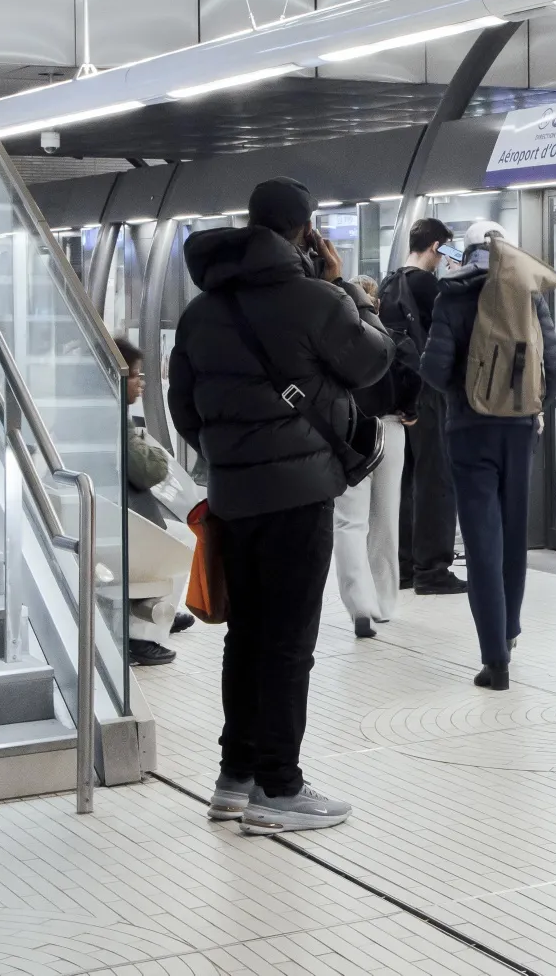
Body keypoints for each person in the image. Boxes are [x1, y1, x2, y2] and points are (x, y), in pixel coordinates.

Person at [168, 177, 393, 835]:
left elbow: (185, 408)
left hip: (233, 495)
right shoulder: (315, 300)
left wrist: (234, 450)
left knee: (247, 636)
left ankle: (234, 779)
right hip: (298, 499)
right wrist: (346, 287)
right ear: (306, 230)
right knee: (289, 644)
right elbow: (374, 361)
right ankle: (280, 788)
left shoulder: (202, 311)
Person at [419, 219, 556, 691]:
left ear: (468, 251)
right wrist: (531, 402)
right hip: (520, 430)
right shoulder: (529, 294)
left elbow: (435, 368)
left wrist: (463, 396)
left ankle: (494, 658)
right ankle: (511, 628)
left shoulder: (452, 295)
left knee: (482, 541)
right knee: (513, 535)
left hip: (468, 432)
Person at [377, 218, 464, 596]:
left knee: (407, 481)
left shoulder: (389, 282)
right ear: (436, 247)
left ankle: (406, 567)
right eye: (446, 250)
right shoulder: (429, 284)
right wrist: (460, 272)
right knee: (436, 481)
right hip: (429, 395)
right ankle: (433, 569)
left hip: (399, 398)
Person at [327, 275, 403, 639]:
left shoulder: (329, 341)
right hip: (389, 429)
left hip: (347, 432)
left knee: (348, 523)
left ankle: (360, 606)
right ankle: (385, 602)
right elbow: (411, 374)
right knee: (386, 519)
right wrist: (410, 406)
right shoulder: (388, 340)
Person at [116, 339, 194, 666]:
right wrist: (156, 455)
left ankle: (160, 612)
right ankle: (144, 636)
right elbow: (151, 468)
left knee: (176, 535)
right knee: (180, 540)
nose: (141, 382)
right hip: (121, 528)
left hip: (119, 518)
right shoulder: (115, 420)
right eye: (135, 375)